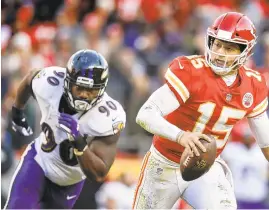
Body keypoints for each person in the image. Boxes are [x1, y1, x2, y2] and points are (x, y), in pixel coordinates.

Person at [134, 12, 269, 209]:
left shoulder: (253, 85)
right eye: (217, 44)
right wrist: (181, 136)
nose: (219, 52)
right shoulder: (191, 71)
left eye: (229, 47)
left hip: (206, 167)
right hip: (163, 164)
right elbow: (145, 115)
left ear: (246, 51)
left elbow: (266, 142)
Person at [4, 49, 126, 209]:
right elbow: (29, 79)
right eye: (79, 88)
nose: (83, 95)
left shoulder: (108, 116)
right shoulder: (51, 81)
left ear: (101, 89)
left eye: (90, 91)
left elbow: (99, 173)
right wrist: (17, 112)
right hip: (38, 161)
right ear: (68, 81)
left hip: (69, 182)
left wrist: (79, 142)